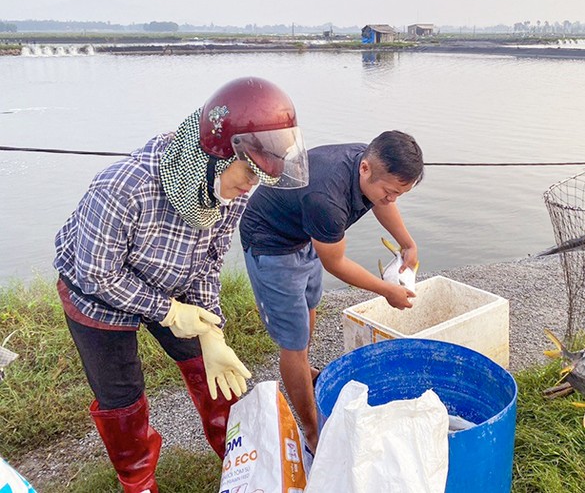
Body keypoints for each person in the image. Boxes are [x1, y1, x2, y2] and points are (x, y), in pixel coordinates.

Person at [53, 76, 308, 493]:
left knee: (215, 373)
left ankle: (239, 465)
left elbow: (208, 263)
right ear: (216, 154)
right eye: (248, 172)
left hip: (173, 283)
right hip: (95, 294)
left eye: (260, 176)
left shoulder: (231, 187)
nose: (250, 186)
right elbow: (95, 274)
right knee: (122, 397)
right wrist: (170, 312)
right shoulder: (123, 186)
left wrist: (212, 332)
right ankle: (138, 482)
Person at [239, 130, 424, 451]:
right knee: (293, 342)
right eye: (389, 191)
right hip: (270, 243)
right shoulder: (326, 198)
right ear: (365, 168)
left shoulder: (367, 163)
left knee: (309, 307)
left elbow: (380, 201)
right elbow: (336, 264)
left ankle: (304, 371)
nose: (391, 199)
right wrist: (387, 291)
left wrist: (408, 243)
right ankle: (311, 431)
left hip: (305, 233)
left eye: (399, 194)